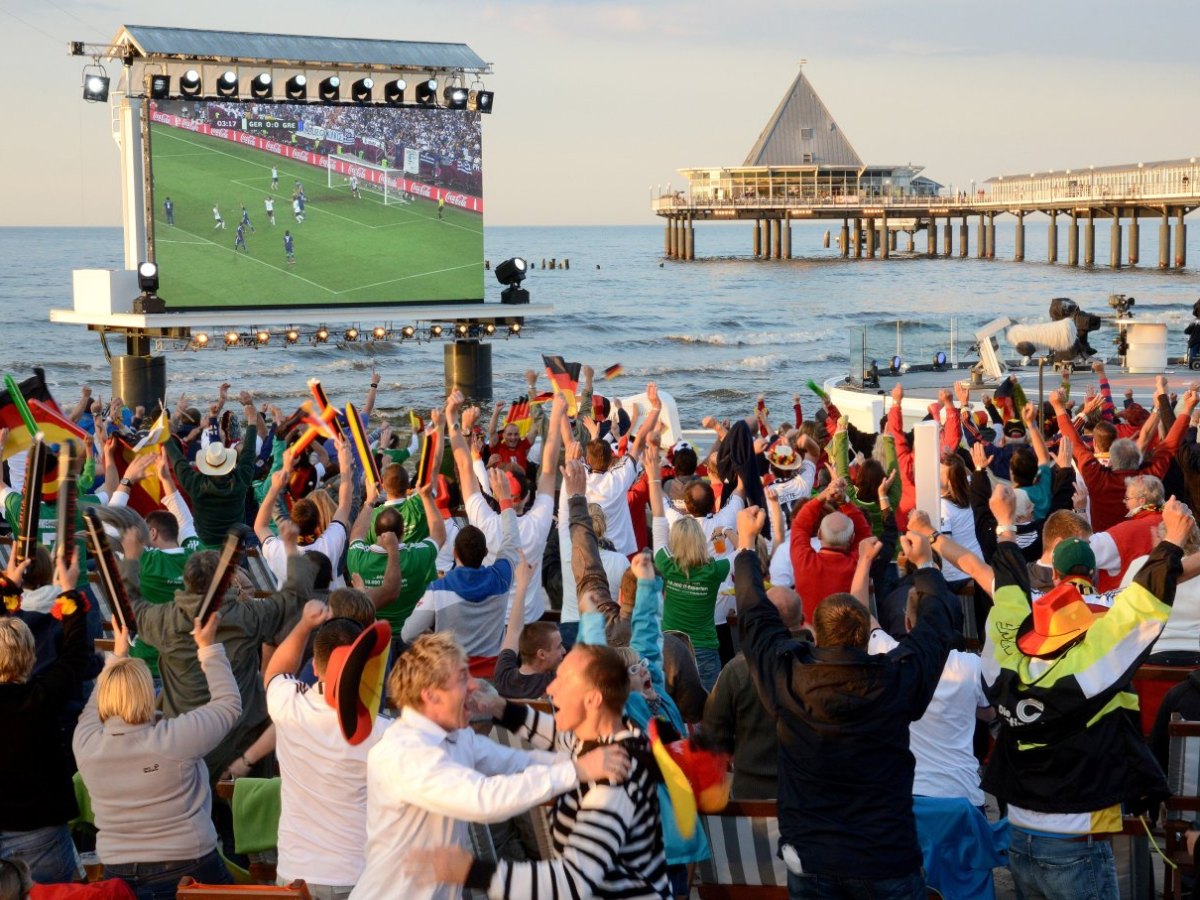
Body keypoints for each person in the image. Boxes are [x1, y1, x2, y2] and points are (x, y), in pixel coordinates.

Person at [736, 503, 959, 899]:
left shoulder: (789, 677)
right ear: (864, 638)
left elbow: (756, 615)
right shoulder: (895, 679)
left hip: (815, 859)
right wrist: (925, 567)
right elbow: (936, 628)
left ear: (816, 637)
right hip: (884, 859)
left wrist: (746, 544)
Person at [983, 484, 1192, 900]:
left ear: (1052, 579)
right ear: (1092, 577)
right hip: (1075, 836)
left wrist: (1005, 525)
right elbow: (1138, 611)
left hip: (1019, 832)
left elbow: (1007, 594)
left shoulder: (1003, 656)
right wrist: (1171, 542)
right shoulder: (1091, 662)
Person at [348, 632, 630, 900]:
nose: (473, 684)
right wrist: (579, 771)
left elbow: (521, 762)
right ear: (430, 695)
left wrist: (594, 761)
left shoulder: (457, 738)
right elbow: (482, 799)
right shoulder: (405, 752)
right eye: (462, 677)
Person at [415, 641, 672, 898]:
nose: (550, 689)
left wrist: (472, 872)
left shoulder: (612, 777)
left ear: (593, 699)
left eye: (563, 681)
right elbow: (555, 735)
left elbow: (573, 882)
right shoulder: (605, 736)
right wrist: (498, 706)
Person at [128, 524, 317, 780]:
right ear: (229, 580)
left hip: (184, 746)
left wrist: (131, 557)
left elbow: (129, 605)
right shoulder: (248, 616)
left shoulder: (165, 620)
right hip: (240, 745)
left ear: (187, 581)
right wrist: (291, 547)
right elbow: (295, 594)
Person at [73, 611, 238, 898]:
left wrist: (117, 656)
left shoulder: (86, 742)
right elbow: (229, 705)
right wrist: (208, 647)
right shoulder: (174, 740)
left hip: (117, 873)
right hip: (189, 867)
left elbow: (92, 706)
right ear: (148, 695)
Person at [265, 602, 388, 898]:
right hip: (356, 873)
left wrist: (305, 623)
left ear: (316, 667)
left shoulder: (288, 705)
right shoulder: (383, 731)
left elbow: (276, 670)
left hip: (294, 874)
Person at [0, 555, 89, 884]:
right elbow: (75, 653)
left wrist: (8, 588)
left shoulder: (40, 697)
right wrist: (68, 591)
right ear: (30, 656)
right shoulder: (41, 698)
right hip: (38, 831)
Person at [401, 469, 520, 676]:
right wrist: (506, 501)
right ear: (485, 553)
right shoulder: (501, 578)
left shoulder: (438, 589)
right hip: (491, 676)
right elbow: (511, 541)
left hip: (450, 676)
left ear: (455, 552)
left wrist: (435, 645)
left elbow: (408, 634)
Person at [702, 583, 804, 799]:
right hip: (807, 793)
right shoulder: (820, 665)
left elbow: (713, 735)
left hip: (751, 797)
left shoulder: (738, 670)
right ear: (802, 619)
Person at [646, 447, 729, 691]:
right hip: (704, 648)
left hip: (670, 646)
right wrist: (729, 534)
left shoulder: (665, 563)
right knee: (707, 706)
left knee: (669, 698)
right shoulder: (715, 570)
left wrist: (653, 476)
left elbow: (659, 516)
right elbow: (745, 551)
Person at [492, 554, 563, 700]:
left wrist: (522, 585)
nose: (564, 650)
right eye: (559, 646)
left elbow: (513, 632)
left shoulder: (503, 677)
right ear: (541, 654)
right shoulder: (555, 681)